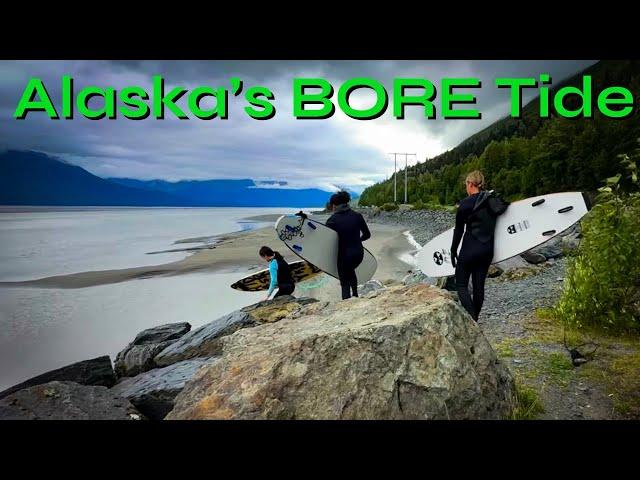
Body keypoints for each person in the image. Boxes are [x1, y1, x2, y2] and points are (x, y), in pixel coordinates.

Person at [451, 171, 509, 321]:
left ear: (470, 184)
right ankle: (475, 318)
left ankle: (472, 319)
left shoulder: (465, 203)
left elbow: (459, 230)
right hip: (487, 249)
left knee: (461, 284)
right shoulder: (493, 200)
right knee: (478, 287)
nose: (466, 188)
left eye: (466, 185)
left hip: (470, 249)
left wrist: (453, 250)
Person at [326, 190, 371, 299]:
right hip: (359, 254)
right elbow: (367, 235)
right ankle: (355, 294)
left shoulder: (332, 220)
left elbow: (326, 241)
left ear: (334, 206)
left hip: (344, 255)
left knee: (345, 280)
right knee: (350, 271)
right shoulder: (357, 216)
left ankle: (346, 303)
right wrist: (356, 241)